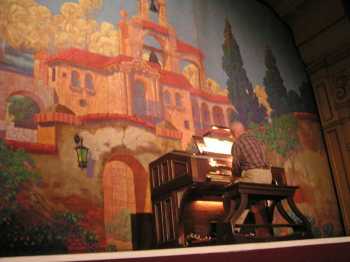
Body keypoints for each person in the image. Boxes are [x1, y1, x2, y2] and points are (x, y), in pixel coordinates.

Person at [229, 120, 272, 237]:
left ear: (233, 133)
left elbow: (236, 168)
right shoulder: (256, 140)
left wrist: (232, 178)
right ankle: (237, 228)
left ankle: (230, 228)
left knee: (232, 189)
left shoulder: (237, 143)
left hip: (254, 176)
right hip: (268, 176)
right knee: (247, 195)